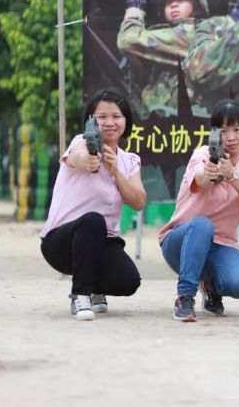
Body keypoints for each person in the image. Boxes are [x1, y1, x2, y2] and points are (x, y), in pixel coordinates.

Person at [40, 90, 145, 321]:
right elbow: (77, 156)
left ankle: (97, 288)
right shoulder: (80, 142)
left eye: (116, 116)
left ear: (126, 121)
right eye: (102, 117)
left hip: (100, 242)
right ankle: (80, 295)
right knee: (93, 220)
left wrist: (115, 171)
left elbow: (138, 201)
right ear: (91, 121)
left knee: (128, 281)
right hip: (60, 243)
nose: (109, 123)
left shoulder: (129, 161)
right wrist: (88, 159)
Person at [158, 99, 239, 322]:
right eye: (223, 131)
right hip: (180, 241)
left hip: (222, 245)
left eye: (237, 129)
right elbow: (201, 180)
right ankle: (185, 297)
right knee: (201, 225)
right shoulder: (203, 154)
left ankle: (209, 286)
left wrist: (233, 175)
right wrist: (210, 172)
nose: (231, 137)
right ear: (214, 132)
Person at [117, 0, 209, 118]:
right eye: (168, 2)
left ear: (196, 6)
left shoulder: (193, 32)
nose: (173, 5)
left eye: (181, 0)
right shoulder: (168, 37)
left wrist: (133, 16)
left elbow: (127, 41)